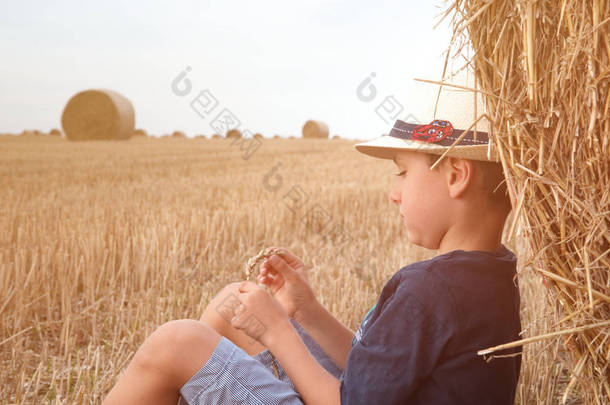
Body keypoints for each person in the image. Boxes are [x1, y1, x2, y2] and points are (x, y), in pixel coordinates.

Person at [102, 79, 522, 405]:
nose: (394, 192)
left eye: (401, 172)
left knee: (179, 343)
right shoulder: (493, 273)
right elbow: (377, 374)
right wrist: (307, 311)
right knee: (230, 305)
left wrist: (277, 329)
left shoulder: (428, 289)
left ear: (455, 176)